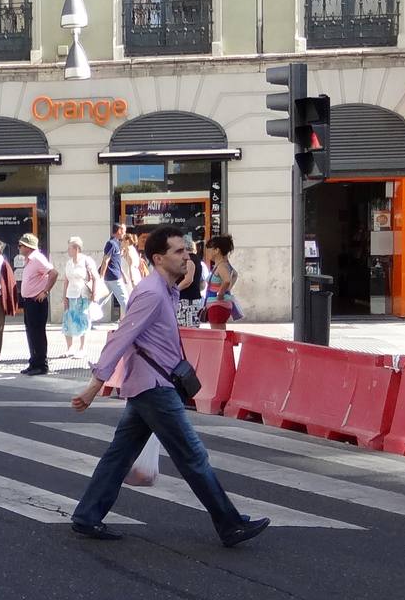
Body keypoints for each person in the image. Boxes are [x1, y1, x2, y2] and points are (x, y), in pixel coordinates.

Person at [69, 225, 270, 548]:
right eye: (179, 251)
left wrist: (185, 282)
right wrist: (95, 385)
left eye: (186, 250)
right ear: (158, 258)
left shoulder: (164, 289)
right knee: (193, 455)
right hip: (155, 388)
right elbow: (123, 337)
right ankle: (229, 524)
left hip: (151, 384)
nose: (187, 255)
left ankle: (87, 515)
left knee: (119, 455)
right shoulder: (150, 292)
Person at [17, 234, 56, 376]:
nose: (19, 247)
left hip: (37, 302)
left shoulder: (38, 258)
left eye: (21, 245)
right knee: (31, 333)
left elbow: (53, 273)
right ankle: (34, 362)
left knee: (37, 333)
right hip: (29, 302)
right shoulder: (29, 260)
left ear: (28, 247)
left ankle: (41, 364)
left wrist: (45, 291)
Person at [58, 236, 100, 359]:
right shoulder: (69, 263)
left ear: (76, 248)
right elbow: (66, 280)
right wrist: (64, 296)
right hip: (71, 294)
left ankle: (82, 348)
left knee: (83, 320)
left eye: (69, 248)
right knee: (68, 320)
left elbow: (95, 277)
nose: (68, 250)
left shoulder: (87, 261)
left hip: (83, 295)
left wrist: (94, 294)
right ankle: (70, 348)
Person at [203, 235, 241, 330]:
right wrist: (227, 290)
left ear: (217, 250)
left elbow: (227, 280)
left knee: (217, 332)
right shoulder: (222, 264)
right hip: (217, 305)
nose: (207, 252)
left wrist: (221, 293)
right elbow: (234, 275)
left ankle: (221, 345)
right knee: (219, 331)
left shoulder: (221, 266)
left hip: (217, 305)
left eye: (209, 249)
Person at [99, 224, 131, 323]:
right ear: (119, 231)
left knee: (101, 300)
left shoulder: (116, 243)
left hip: (113, 276)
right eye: (123, 231)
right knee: (124, 299)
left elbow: (116, 261)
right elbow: (105, 260)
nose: (124, 233)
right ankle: (132, 320)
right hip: (113, 277)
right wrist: (101, 277)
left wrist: (123, 274)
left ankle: (88, 319)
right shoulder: (111, 243)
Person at [176, 236, 205, 328]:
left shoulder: (189, 260)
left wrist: (174, 290)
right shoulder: (196, 260)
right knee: (191, 330)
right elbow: (201, 283)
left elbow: (188, 280)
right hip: (192, 299)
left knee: (187, 330)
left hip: (188, 302)